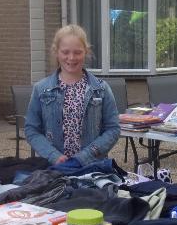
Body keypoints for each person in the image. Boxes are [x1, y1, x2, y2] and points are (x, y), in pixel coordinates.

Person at [24, 25, 121, 166]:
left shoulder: (101, 89)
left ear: (86, 52)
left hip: (92, 167)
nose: (71, 57)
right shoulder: (41, 89)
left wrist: (85, 156)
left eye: (77, 52)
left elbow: (113, 129)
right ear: (56, 52)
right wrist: (53, 155)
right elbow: (31, 129)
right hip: (54, 168)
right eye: (65, 52)